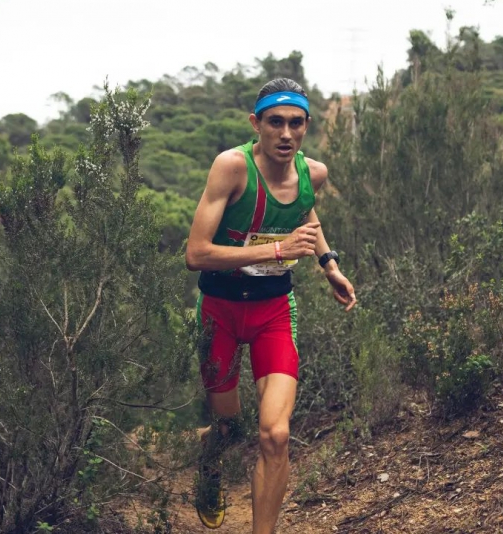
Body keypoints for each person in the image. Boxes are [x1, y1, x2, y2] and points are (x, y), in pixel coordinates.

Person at [185, 77, 357, 533]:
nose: (286, 133)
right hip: (218, 311)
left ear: (307, 126)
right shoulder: (232, 168)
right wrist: (276, 251)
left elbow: (304, 213)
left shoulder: (313, 174)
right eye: (275, 122)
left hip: (273, 312)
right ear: (255, 124)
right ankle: (210, 461)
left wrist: (328, 263)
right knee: (229, 428)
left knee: (275, 434)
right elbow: (196, 253)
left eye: (295, 124)